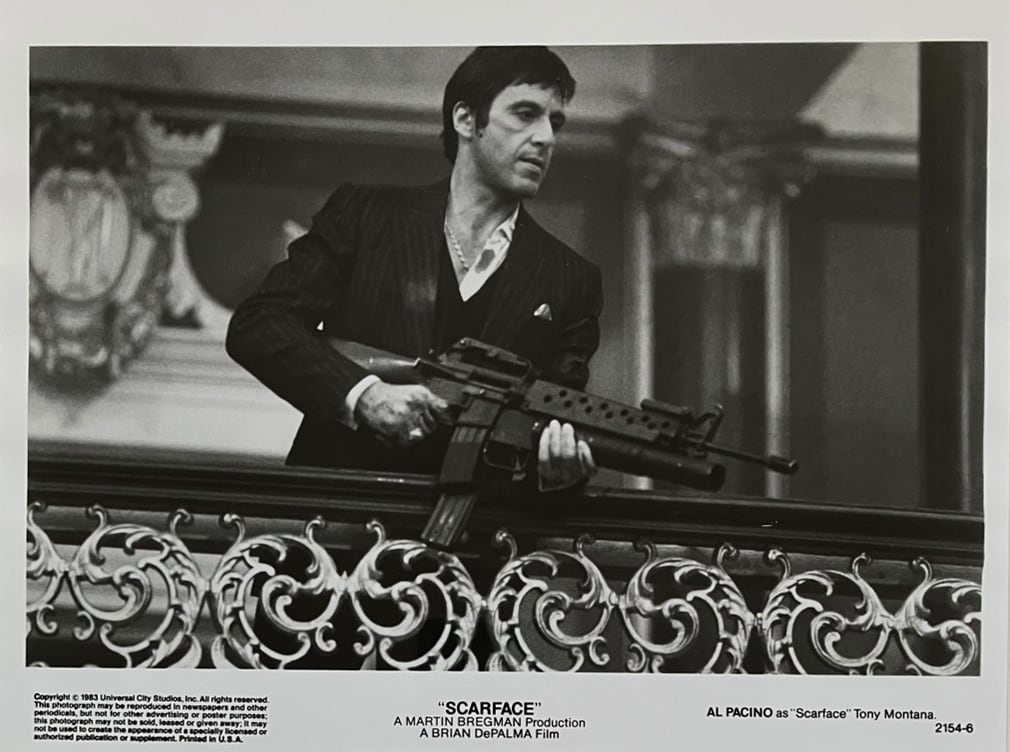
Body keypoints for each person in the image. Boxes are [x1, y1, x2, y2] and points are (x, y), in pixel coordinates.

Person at [227, 46, 602, 490]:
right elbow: (259, 324)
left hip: (474, 530)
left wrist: (558, 476)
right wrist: (365, 396)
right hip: (338, 514)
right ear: (466, 119)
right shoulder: (365, 215)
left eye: (555, 122)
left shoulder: (571, 278)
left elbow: (560, 428)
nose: (546, 138)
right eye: (526, 114)